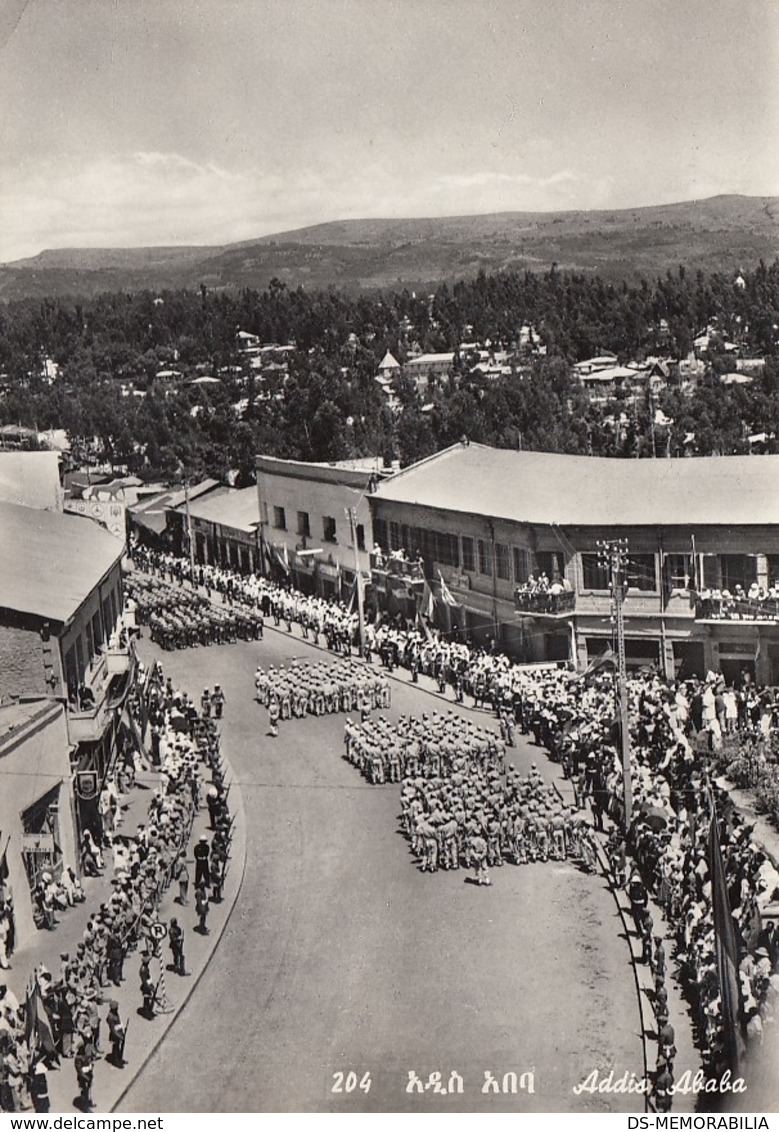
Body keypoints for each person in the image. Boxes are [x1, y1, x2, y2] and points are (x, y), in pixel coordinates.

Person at [106, 1002, 126, 1068]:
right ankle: (115, 1061)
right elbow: (113, 1029)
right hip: (115, 1034)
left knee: (118, 1047)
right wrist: (119, 1036)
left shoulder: (115, 1013)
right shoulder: (111, 1016)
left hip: (118, 1031)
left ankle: (118, 1059)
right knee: (115, 1047)